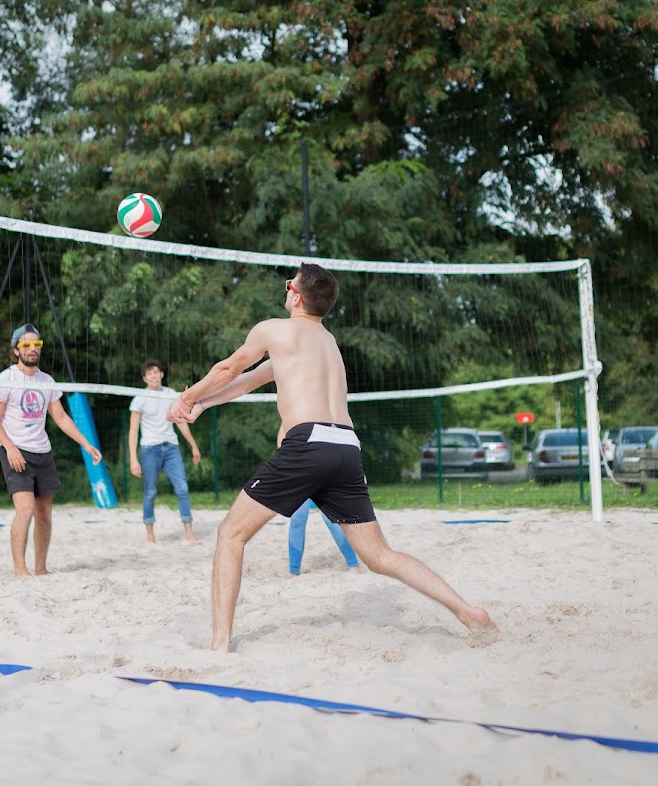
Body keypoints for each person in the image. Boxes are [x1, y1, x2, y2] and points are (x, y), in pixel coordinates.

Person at [167, 263, 497, 652]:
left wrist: (186, 397)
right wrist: (201, 405)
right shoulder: (328, 344)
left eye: (289, 282)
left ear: (297, 296)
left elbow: (227, 369)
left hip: (306, 445)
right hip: (345, 446)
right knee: (379, 555)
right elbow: (246, 382)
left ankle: (220, 644)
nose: (286, 287)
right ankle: (467, 611)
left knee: (230, 535)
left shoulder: (272, 329)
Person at [0, 324, 103, 576]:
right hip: (16, 450)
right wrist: (9, 448)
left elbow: (60, 417)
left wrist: (86, 444)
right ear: (16, 350)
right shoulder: (5, 379)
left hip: (42, 451)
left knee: (44, 511)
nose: (32, 349)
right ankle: (20, 569)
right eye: (26, 345)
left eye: (36, 345)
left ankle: (41, 569)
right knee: (26, 508)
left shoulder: (46, 381)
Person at [128, 359, 201, 544]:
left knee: (182, 489)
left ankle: (189, 533)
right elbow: (133, 431)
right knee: (150, 492)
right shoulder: (139, 398)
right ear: (145, 378)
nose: (153, 375)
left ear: (161, 374)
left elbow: (181, 422)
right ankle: (150, 535)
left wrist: (193, 445)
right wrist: (133, 459)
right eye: (149, 373)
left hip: (171, 448)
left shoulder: (171, 395)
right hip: (149, 449)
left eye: (156, 372)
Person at [278, 423, 362, 576]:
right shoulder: (295, 412)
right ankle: (293, 570)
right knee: (298, 518)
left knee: (331, 518)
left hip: (325, 470)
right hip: (300, 473)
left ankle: (353, 564)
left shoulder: (329, 413)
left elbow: (347, 439)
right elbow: (282, 438)